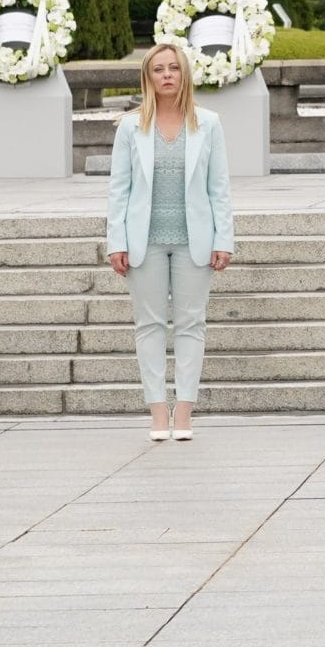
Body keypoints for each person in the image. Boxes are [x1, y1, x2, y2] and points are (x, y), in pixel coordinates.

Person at [104, 43, 235, 440]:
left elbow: (219, 187)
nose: (166, 75)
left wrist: (223, 238)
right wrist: (116, 241)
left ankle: (185, 413)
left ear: (184, 74)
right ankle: (158, 412)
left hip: (194, 239)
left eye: (173, 68)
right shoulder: (131, 127)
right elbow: (119, 190)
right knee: (150, 325)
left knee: (191, 324)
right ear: (148, 77)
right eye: (158, 69)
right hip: (144, 241)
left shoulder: (208, 123)